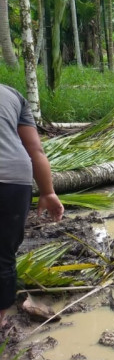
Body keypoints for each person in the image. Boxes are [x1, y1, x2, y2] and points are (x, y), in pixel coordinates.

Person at [0, 84, 63, 328]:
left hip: (13, 178)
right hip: (15, 180)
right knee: (3, 255)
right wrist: (48, 192)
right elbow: (35, 149)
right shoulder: (12, 94)